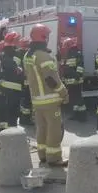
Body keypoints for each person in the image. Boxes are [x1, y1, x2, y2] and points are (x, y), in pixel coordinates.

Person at [23, 23, 69, 167]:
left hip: (37, 101)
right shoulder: (44, 56)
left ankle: (42, 155)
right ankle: (54, 158)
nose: (48, 38)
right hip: (50, 100)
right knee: (54, 130)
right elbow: (52, 80)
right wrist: (64, 93)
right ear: (44, 37)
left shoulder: (28, 55)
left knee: (41, 129)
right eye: (47, 36)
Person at [60, 37, 87, 122]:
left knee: (78, 98)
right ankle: (75, 114)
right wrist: (64, 77)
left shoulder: (77, 53)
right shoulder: (69, 54)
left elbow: (80, 66)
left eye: (66, 46)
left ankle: (82, 116)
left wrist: (77, 76)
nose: (65, 48)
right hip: (70, 80)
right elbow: (67, 67)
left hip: (76, 80)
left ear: (69, 45)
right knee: (73, 98)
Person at [0, 32, 24, 127]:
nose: (19, 42)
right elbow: (17, 70)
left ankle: (11, 132)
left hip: (13, 89)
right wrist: (20, 70)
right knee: (11, 115)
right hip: (11, 90)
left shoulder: (9, 53)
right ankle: (10, 134)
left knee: (13, 114)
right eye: (17, 40)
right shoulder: (9, 55)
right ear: (13, 41)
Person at [17, 37, 34, 126]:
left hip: (20, 82)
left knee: (23, 101)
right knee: (27, 102)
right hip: (27, 82)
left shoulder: (17, 53)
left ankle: (23, 119)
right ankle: (26, 120)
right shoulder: (28, 54)